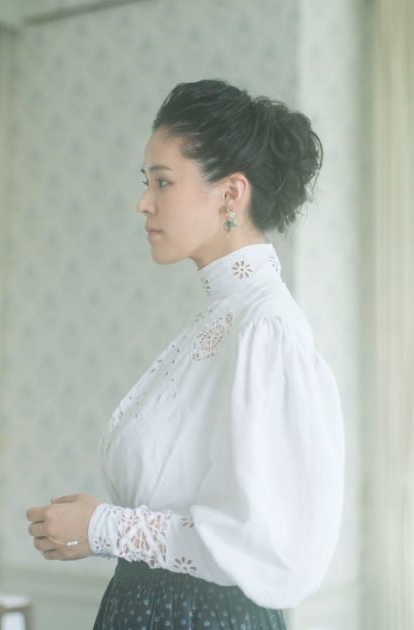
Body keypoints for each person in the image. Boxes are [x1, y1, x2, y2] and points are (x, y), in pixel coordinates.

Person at [26, 78, 345, 629]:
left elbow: (262, 543)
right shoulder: (218, 319)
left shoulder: (266, 329)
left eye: (163, 181)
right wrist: (97, 527)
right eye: (146, 182)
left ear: (230, 194)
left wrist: (103, 527)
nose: (143, 202)